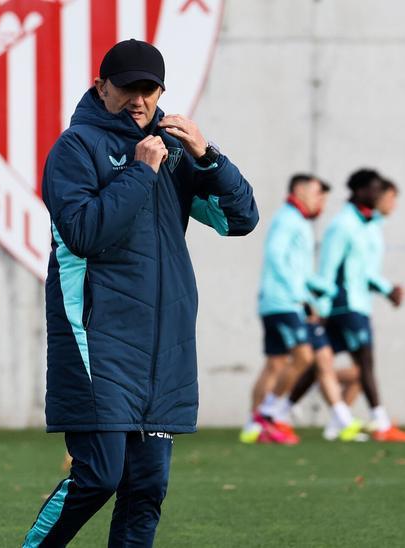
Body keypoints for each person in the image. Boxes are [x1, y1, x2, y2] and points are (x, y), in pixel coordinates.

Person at [23, 39, 258, 547]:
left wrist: (208, 155)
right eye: (127, 89)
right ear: (101, 86)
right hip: (98, 340)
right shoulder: (75, 148)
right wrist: (140, 170)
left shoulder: (173, 149)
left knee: (146, 489)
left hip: (163, 346)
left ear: (161, 91)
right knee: (98, 476)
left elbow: (241, 220)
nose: (138, 101)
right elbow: (84, 233)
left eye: (148, 90)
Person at [240, 174, 363, 445]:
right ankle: (269, 414)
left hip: (282, 301)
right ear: (299, 190)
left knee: (275, 364)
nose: (321, 201)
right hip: (283, 302)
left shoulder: (298, 222)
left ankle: (253, 425)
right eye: (318, 193)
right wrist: (300, 297)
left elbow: (301, 272)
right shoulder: (288, 219)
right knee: (305, 357)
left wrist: (324, 291)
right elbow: (276, 256)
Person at [303, 169, 405, 443]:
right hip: (345, 306)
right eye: (376, 189)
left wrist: (388, 290)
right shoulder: (343, 225)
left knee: (316, 364)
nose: (380, 195)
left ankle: (282, 412)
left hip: (358, 304)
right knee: (364, 362)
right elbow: (329, 270)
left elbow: (364, 271)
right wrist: (320, 305)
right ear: (361, 191)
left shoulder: (367, 224)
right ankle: (381, 422)